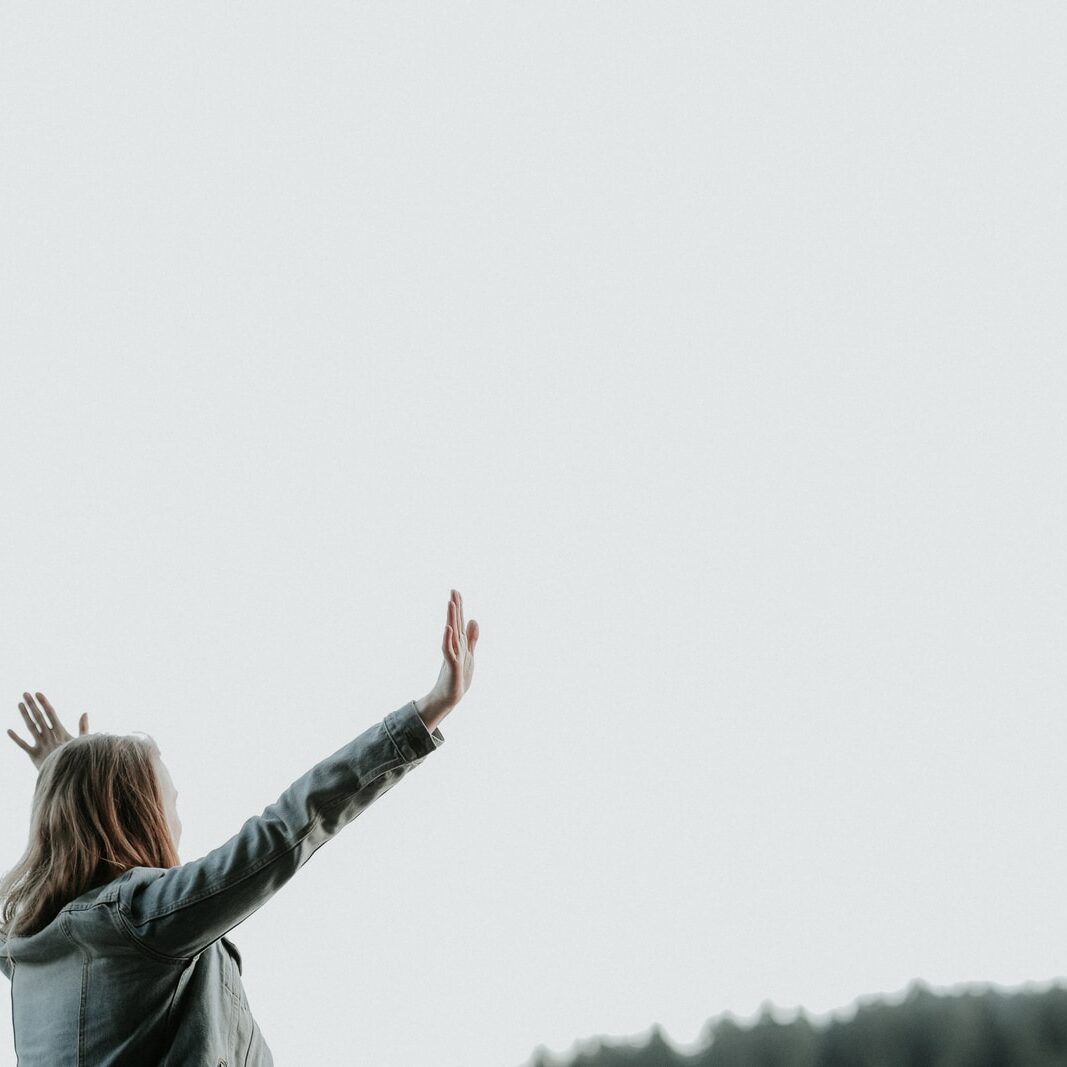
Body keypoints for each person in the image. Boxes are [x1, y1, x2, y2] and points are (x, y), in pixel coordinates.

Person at [0, 589, 479, 1066]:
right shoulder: (147, 919)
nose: (177, 821)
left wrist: (66, 779)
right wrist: (428, 712)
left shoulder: (23, 949)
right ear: (138, 814)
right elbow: (291, 822)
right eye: (171, 801)